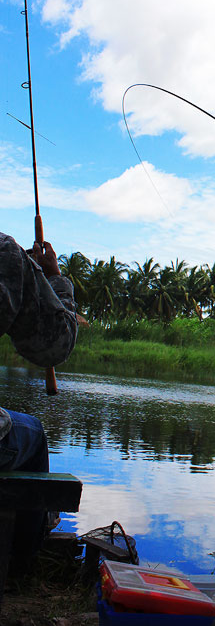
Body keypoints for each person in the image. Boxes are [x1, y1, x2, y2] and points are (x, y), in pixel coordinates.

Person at [0, 231, 78, 559]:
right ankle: (24, 560)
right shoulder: (4, 251)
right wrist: (53, 277)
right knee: (33, 433)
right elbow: (54, 344)